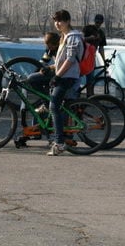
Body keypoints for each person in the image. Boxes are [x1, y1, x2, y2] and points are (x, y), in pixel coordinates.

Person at [47, 9, 84, 156]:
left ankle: (59, 143)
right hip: (63, 74)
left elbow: (70, 59)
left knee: (54, 106)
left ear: (68, 21)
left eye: (60, 20)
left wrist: (57, 76)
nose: (57, 23)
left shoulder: (73, 37)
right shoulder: (64, 36)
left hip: (68, 77)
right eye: (55, 21)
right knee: (33, 80)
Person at [81, 14, 106, 96]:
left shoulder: (101, 33)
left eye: (99, 21)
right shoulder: (88, 28)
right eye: (96, 21)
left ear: (102, 22)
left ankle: (90, 97)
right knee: (77, 76)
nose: (98, 23)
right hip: (82, 56)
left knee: (91, 78)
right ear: (94, 21)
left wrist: (104, 60)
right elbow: (79, 40)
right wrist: (89, 38)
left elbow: (101, 48)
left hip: (91, 58)